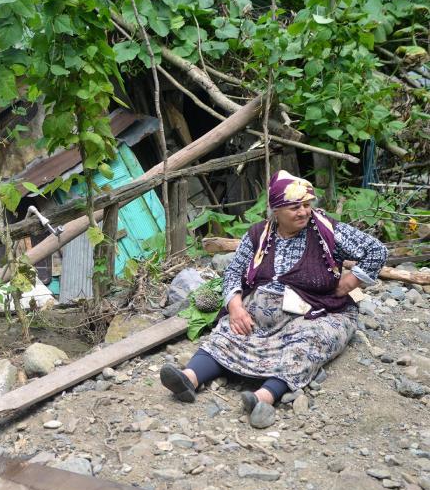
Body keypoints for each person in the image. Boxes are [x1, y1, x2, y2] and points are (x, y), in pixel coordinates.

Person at [160, 170, 387, 425]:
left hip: (316, 312)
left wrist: (353, 279)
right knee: (228, 331)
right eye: (294, 207)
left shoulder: (327, 231)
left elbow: (376, 250)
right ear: (276, 210)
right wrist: (235, 307)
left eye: (306, 205)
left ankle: (264, 396)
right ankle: (188, 379)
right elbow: (234, 270)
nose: (303, 212)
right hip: (261, 313)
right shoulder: (259, 234)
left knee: (308, 342)